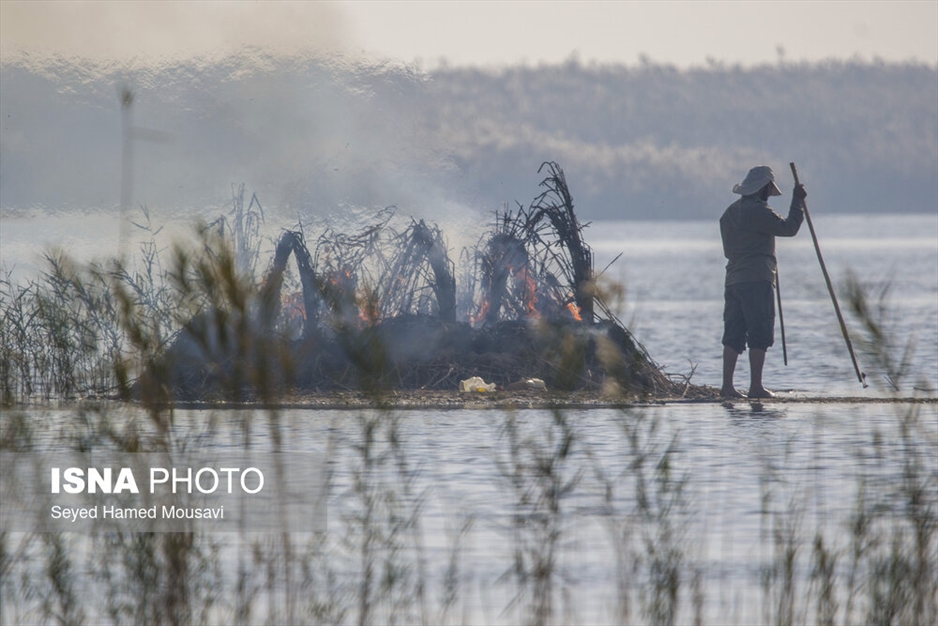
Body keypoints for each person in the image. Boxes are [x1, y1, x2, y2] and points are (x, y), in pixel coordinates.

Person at [720, 165, 807, 398]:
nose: (770, 193)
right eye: (769, 188)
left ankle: (727, 387)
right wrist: (797, 201)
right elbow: (789, 228)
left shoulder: (729, 213)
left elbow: (728, 249)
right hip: (758, 279)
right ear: (763, 188)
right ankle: (755, 387)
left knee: (733, 333)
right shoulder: (759, 211)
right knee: (759, 331)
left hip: (733, 280)